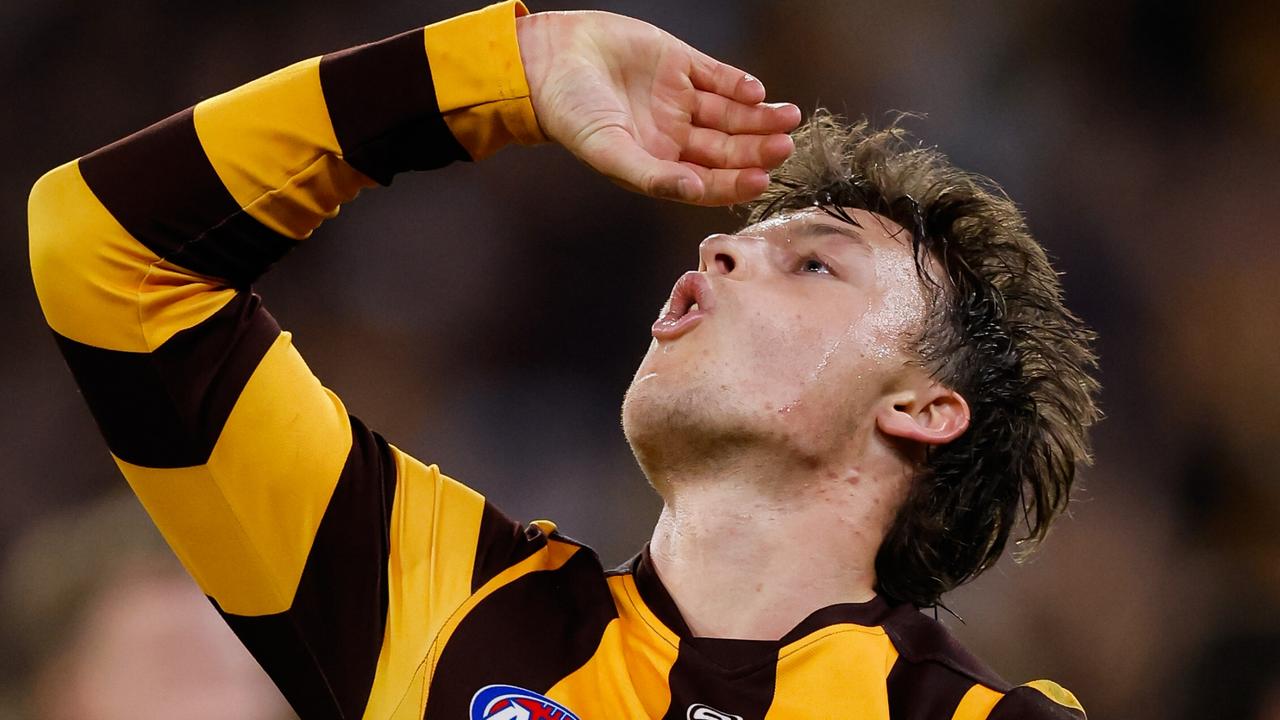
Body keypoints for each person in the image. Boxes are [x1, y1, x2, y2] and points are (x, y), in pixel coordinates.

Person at [28, 1, 1099, 718]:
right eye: (733, 238)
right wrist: (506, 76)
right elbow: (104, 246)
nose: (718, 246)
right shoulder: (437, 599)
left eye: (814, 266)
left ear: (923, 407)